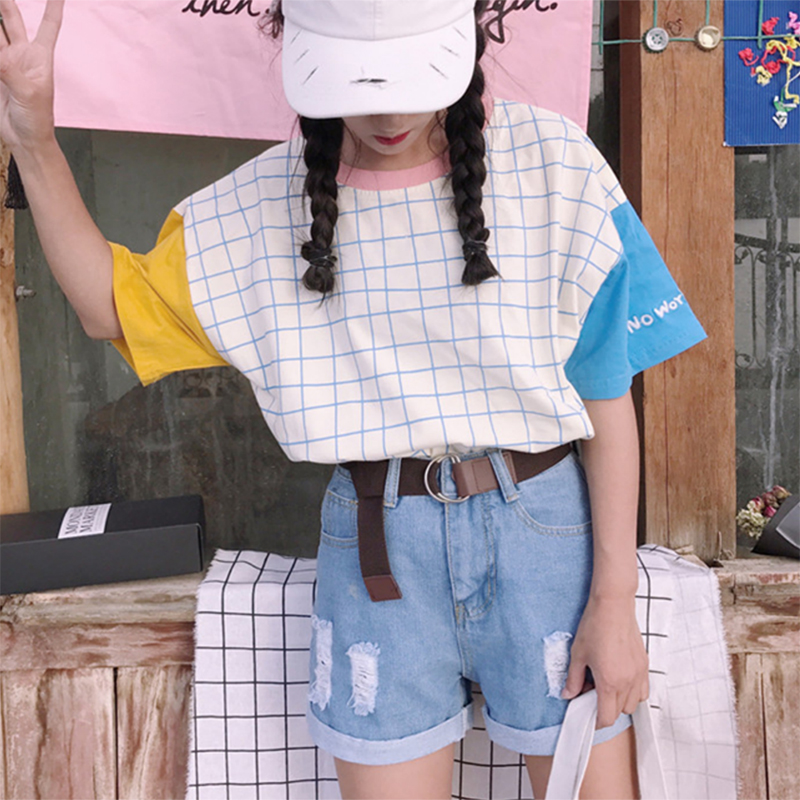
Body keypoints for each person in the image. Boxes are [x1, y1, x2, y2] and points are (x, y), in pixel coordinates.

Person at [0, 0, 708, 796]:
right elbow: (107, 306)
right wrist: (34, 137)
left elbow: (606, 398)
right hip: (378, 546)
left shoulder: (553, 162)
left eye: (412, 78)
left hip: (545, 534)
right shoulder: (260, 207)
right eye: (357, 80)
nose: (388, 112)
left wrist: (614, 598)